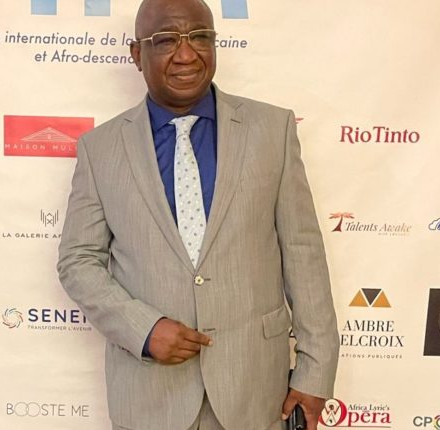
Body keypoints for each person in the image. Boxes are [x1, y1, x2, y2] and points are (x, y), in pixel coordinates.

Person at [57, 0, 338, 429]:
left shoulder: (272, 131)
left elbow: (303, 252)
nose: (186, 54)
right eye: (166, 40)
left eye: (200, 37)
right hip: (151, 398)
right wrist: (143, 328)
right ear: (137, 54)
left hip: (255, 393)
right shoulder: (101, 149)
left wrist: (315, 370)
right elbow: (78, 261)